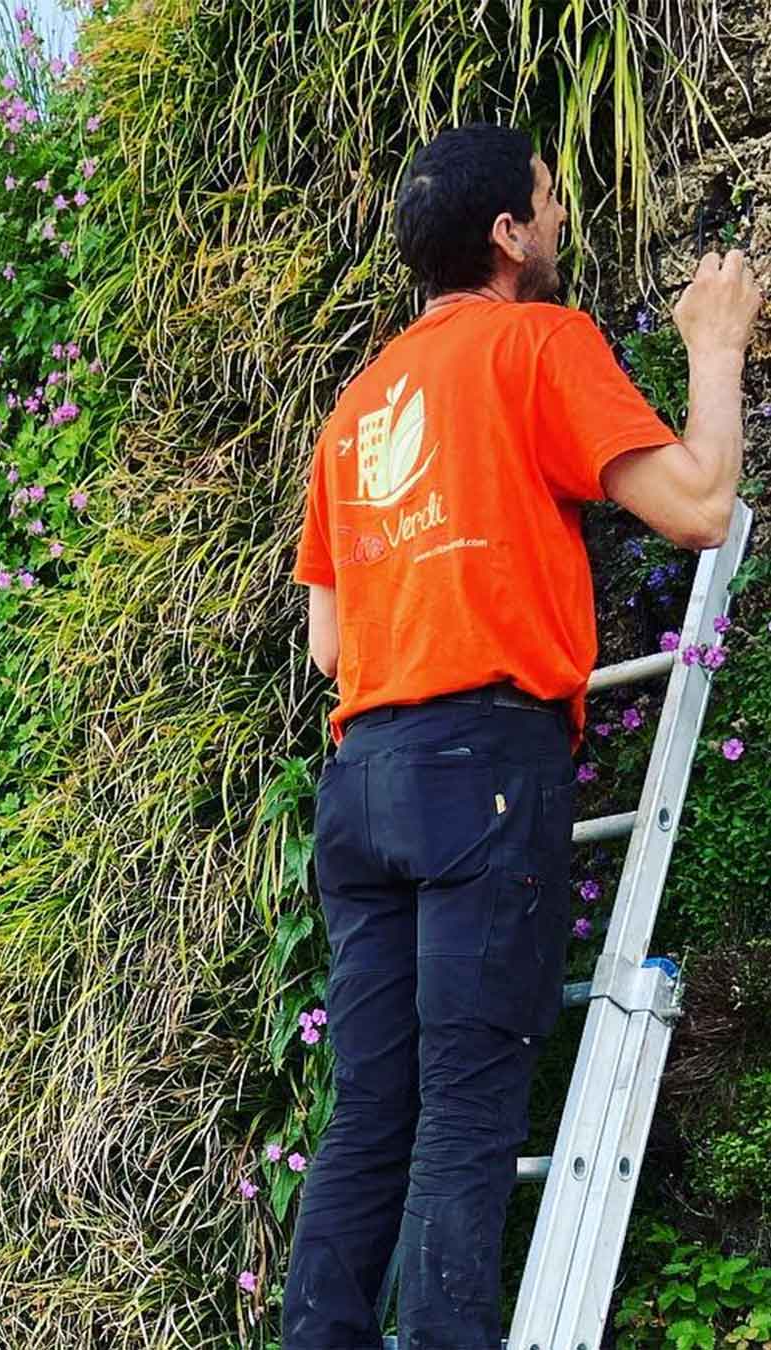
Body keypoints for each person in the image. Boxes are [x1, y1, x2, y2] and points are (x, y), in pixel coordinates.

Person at [282, 121, 763, 1350]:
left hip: (361, 787)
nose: (558, 222)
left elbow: (330, 650)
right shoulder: (537, 343)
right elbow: (700, 505)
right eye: (547, 203)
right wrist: (716, 348)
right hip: (480, 770)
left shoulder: (357, 405)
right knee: (464, 1115)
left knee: (369, 1117)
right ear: (506, 235)